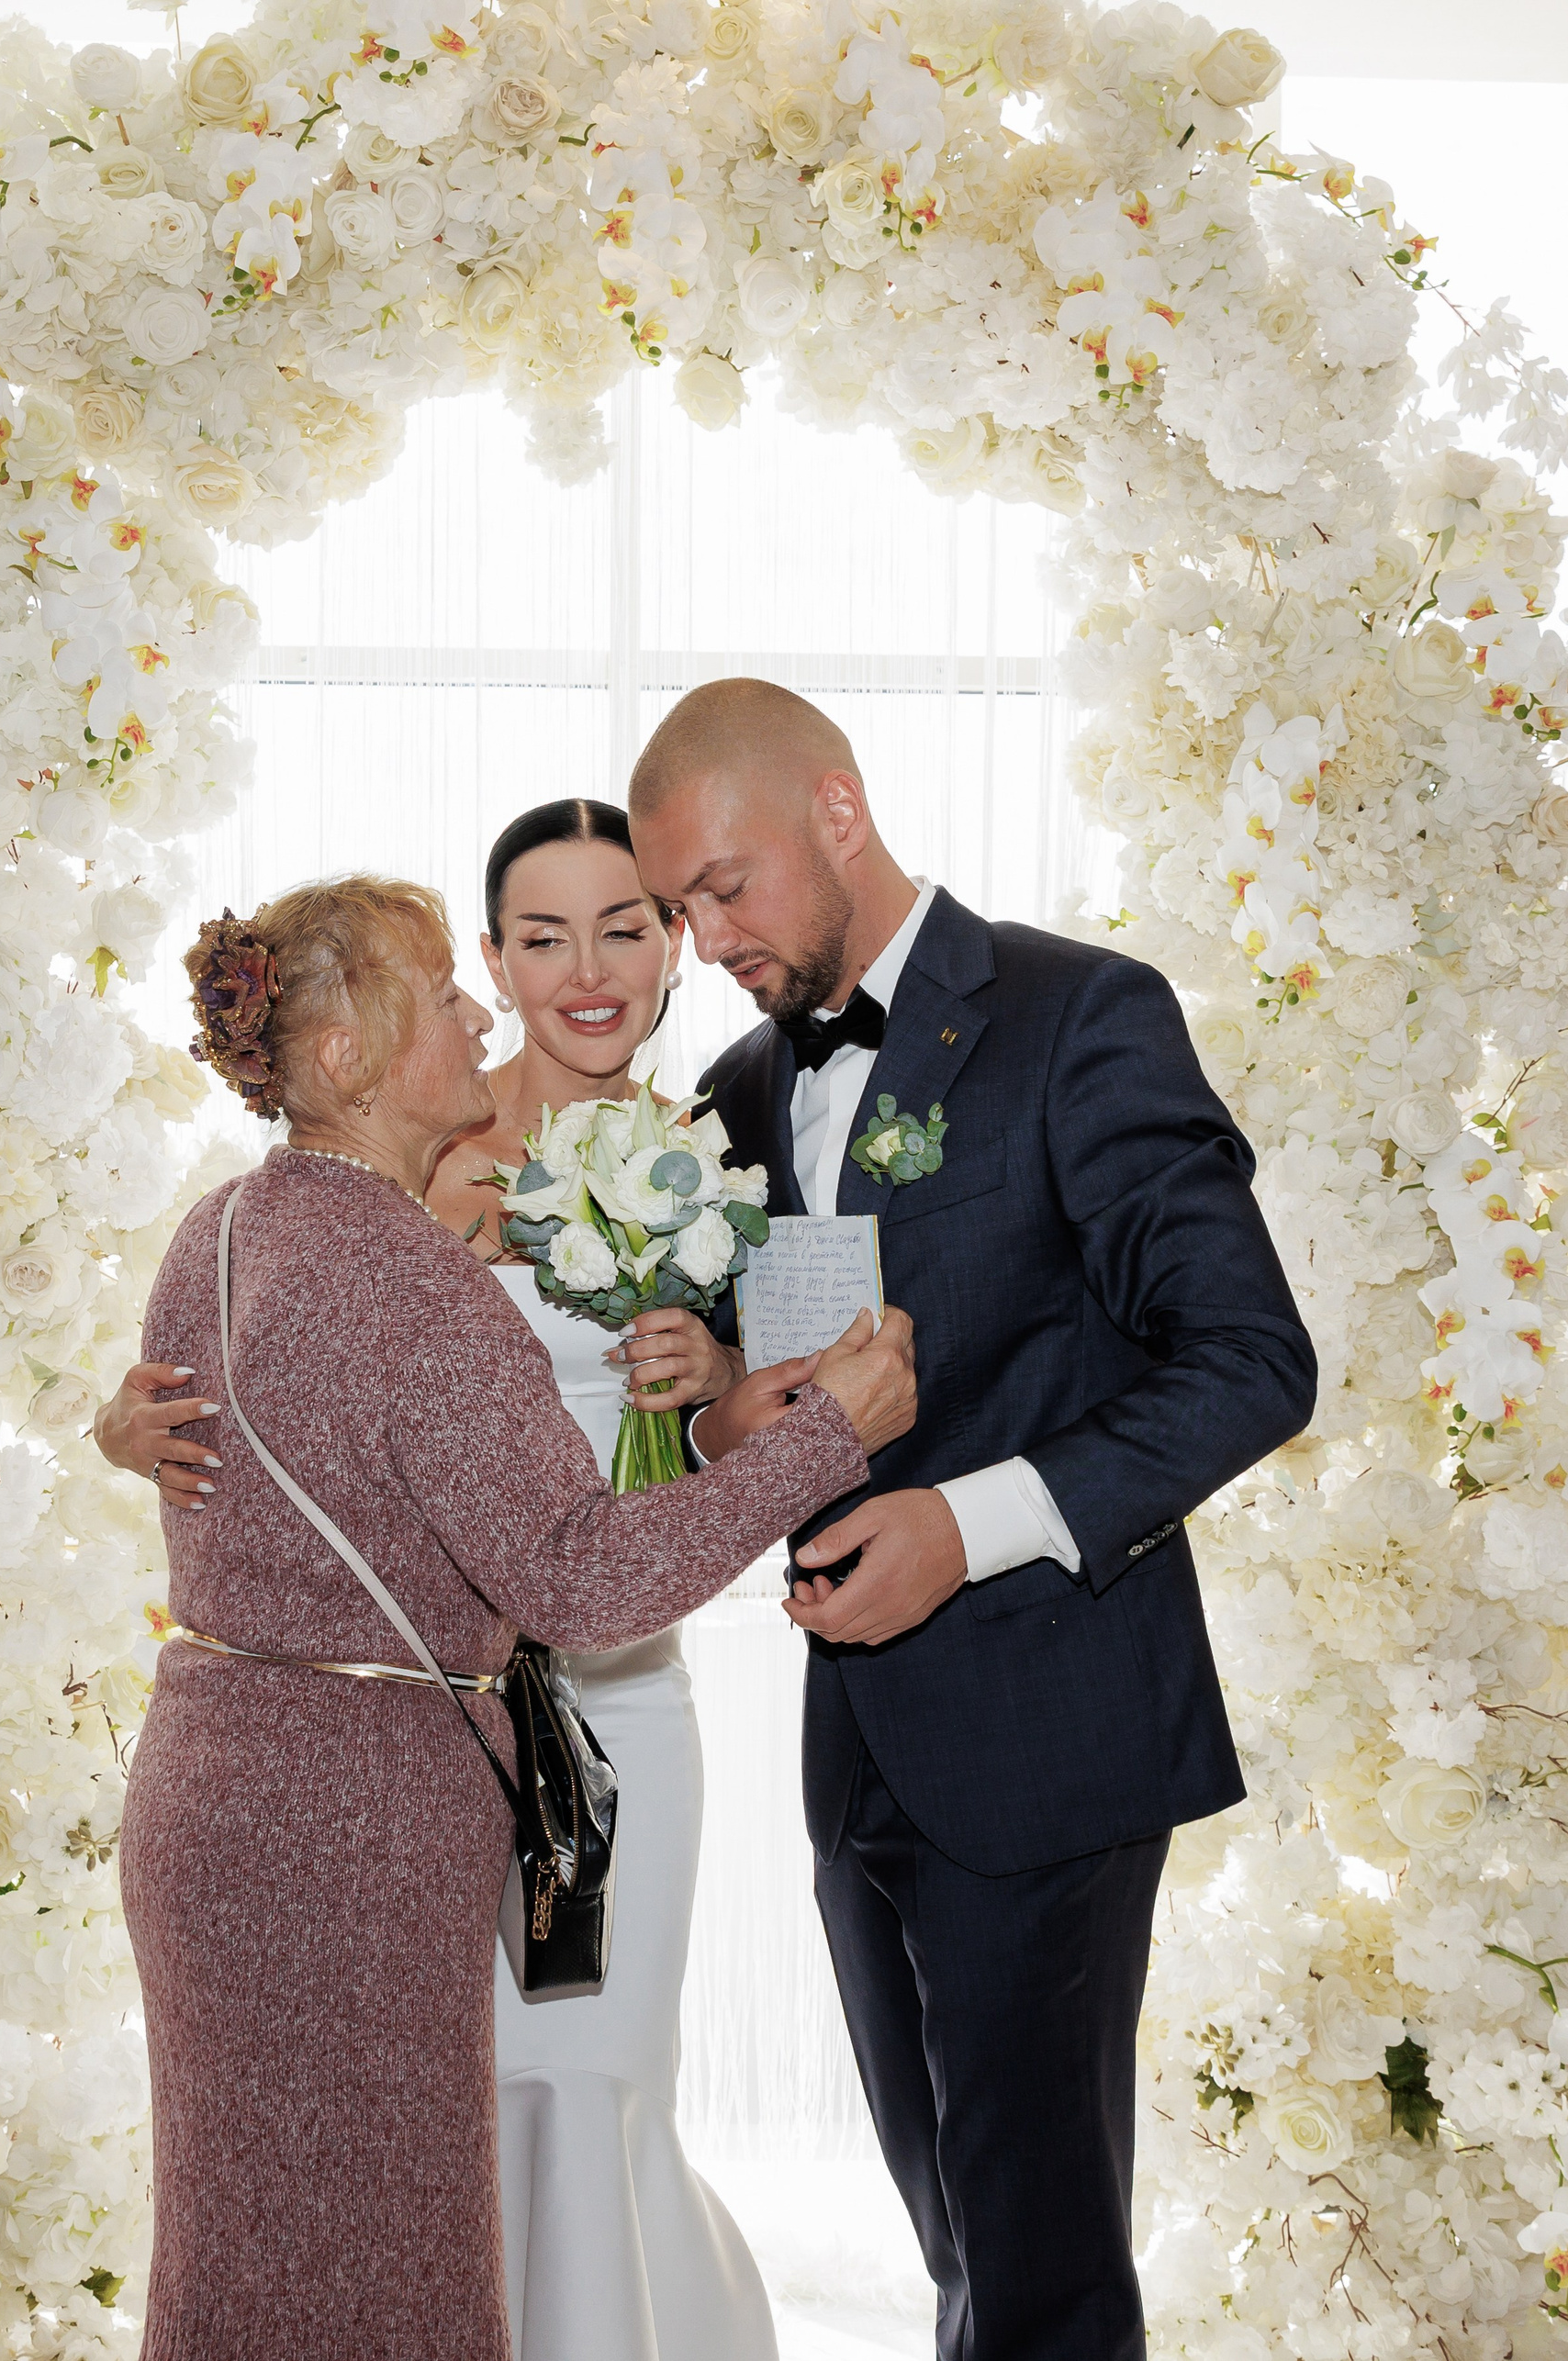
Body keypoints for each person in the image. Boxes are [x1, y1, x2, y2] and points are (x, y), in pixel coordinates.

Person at [116, 872, 916, 2361]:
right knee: (396, 2263)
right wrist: (829, 1436)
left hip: (202, 1804)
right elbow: (583, 1585)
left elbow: (210, 1467)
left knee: (242, 2262)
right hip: (355, 1829)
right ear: (347, 1057)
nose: (477, 1019)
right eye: (442, 996)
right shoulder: (421, 1284)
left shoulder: (215, 1232)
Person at [625, 678, 1318, 2361]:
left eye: (726, 888)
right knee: (955, 2238)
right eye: (679, 910)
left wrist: (970, 1524)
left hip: (1052, 1729)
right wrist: (719, 1408)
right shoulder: (731, 1091)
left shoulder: (1082, 1016)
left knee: (1041, 2274)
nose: (707, 941)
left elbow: (1251, 1361)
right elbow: (721, 1394)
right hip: (855, 1748)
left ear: (838, 811)